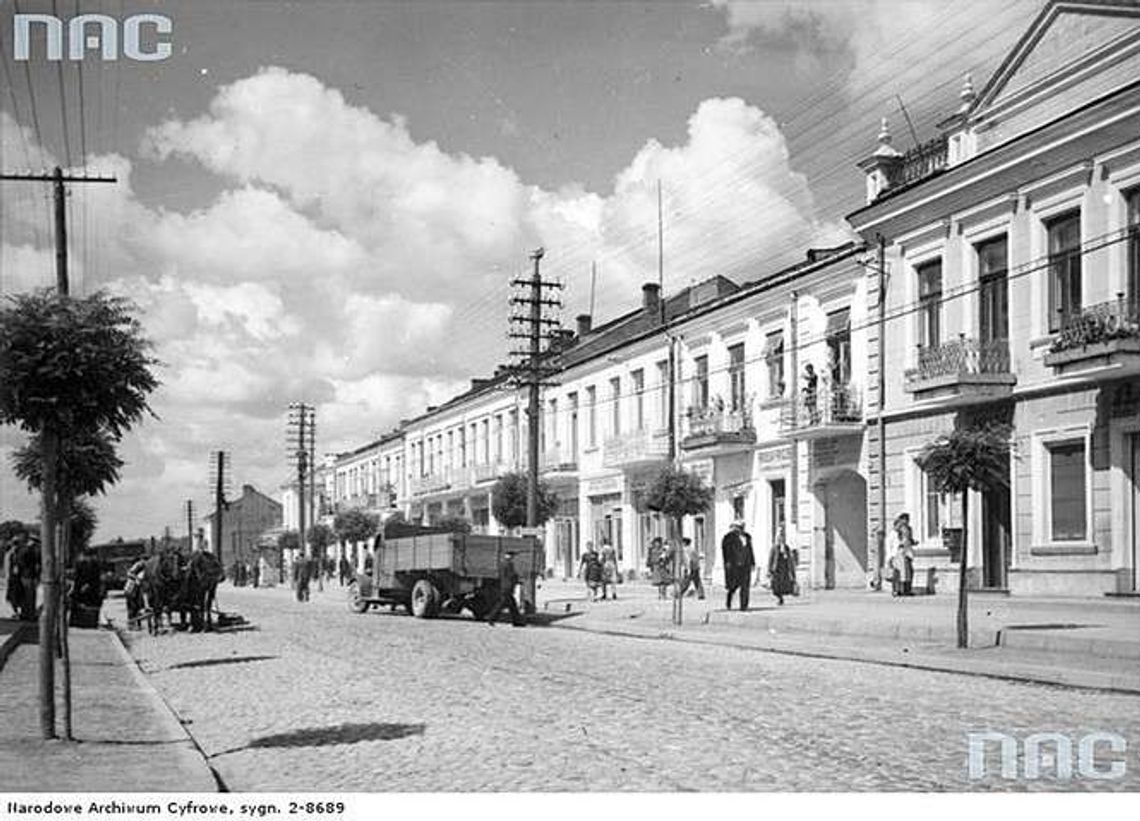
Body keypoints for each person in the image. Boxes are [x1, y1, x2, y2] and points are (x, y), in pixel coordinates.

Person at [721, 520, 755, 611]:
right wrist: (727, 562)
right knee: (734, 585)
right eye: (738, 527)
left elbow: (750, 550)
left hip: (746, 564)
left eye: (742, 527)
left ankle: (744, 606)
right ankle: (729, 598)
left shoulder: (747, 537)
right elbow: (726, 550)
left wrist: (752, 562)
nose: (740, 529)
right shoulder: (729, 537)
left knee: (745, 586)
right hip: (734, 564)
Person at [486, 550, 525, 627]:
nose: (513, 557)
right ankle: (491, 618)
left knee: (512, 605)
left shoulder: (504, 563)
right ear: (509, 556)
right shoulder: (508, 564)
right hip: (507, 587)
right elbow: (511, 575)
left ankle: (517, 622)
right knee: (501, 604)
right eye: (512, 556)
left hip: (505, 586)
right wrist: (517, 578)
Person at [767, 526, 799, 606]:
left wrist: (792, 570)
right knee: (775, 586)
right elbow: (771, 559)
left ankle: (781, 598)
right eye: (779, 537)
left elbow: (790, 559)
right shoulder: (774, 548)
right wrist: (769, 570)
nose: (781, 539)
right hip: (776, 569)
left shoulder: (786, 547)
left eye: (782, 537)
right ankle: (779, 596)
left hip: (784, 569)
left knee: (783, 584)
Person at [891, 513, 917, 597]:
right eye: (905, 519)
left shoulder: (909, 528)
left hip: (907, 550)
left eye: (907, 519)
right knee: (901, 572)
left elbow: (909, 539)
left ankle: (907, 590)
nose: (907, 521)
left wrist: (913, 542)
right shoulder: (899, 528)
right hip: (900, 551)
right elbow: (895, 536)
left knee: (909, 571)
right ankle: (898, 590)